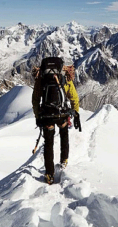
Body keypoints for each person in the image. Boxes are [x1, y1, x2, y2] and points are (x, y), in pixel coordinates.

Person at [32, 57, 80, 185]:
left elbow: (35, 100)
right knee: (64, 135)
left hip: (47, 115)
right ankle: (64, 160)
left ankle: (49, 174)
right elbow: (73, 97)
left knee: (48, 143)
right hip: (61, 114)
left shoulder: (41, 78)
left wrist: (37, 116)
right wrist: (76, 112)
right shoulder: (64, 77)